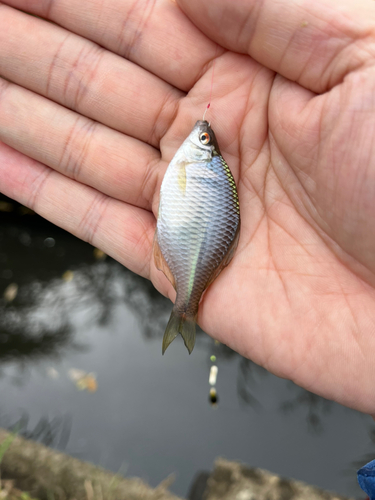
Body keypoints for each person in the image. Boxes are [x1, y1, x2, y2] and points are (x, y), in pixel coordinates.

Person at [0, 0, 375, 417]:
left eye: (205, 141)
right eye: (205, 140)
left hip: (191, 250)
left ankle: (186, 307)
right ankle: (187, 307)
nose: (203, 136)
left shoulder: (201, 165)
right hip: (196, 247)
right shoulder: (203, 167)